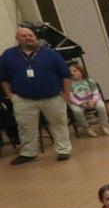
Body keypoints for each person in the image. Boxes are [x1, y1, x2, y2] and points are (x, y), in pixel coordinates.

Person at [2, 26, 73, 164]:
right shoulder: (8, 55)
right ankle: (28, 152)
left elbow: (65, 75)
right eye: (24, 36)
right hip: (23, 99)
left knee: (59, 124)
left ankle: (63, 150)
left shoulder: (51, 54)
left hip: (53, 97)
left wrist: (66, 94)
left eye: (31, 35)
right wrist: (10, 95)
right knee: (25, 127)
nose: (29, 38)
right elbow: (4, 78)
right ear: (17, 39)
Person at [66, 62, 109, 136]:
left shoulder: (88, 80)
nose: (72, 73)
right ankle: (87, 127)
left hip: (92, 100)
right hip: (77, 102)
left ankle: (103, 125)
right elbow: (70, 97)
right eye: (70, 71)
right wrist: (80, 103)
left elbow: (96, 93)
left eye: (74, 71)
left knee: (101, 106)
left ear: (81, 72)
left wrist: (93, 102)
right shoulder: (69, 83)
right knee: (77, 111)